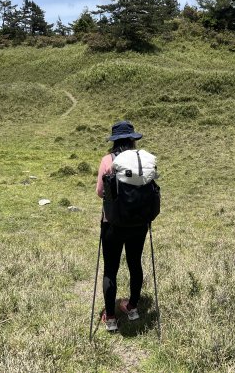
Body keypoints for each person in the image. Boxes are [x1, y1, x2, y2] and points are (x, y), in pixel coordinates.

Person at [96, 121, 149, 332]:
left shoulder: (108, 160)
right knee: (135, 263)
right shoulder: (143, 160)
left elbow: (100, 192)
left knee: (111, 268)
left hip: (113, 224)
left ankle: (110, 318)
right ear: (132, 140)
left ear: (114, 141)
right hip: (139, 223)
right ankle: (133, 308)